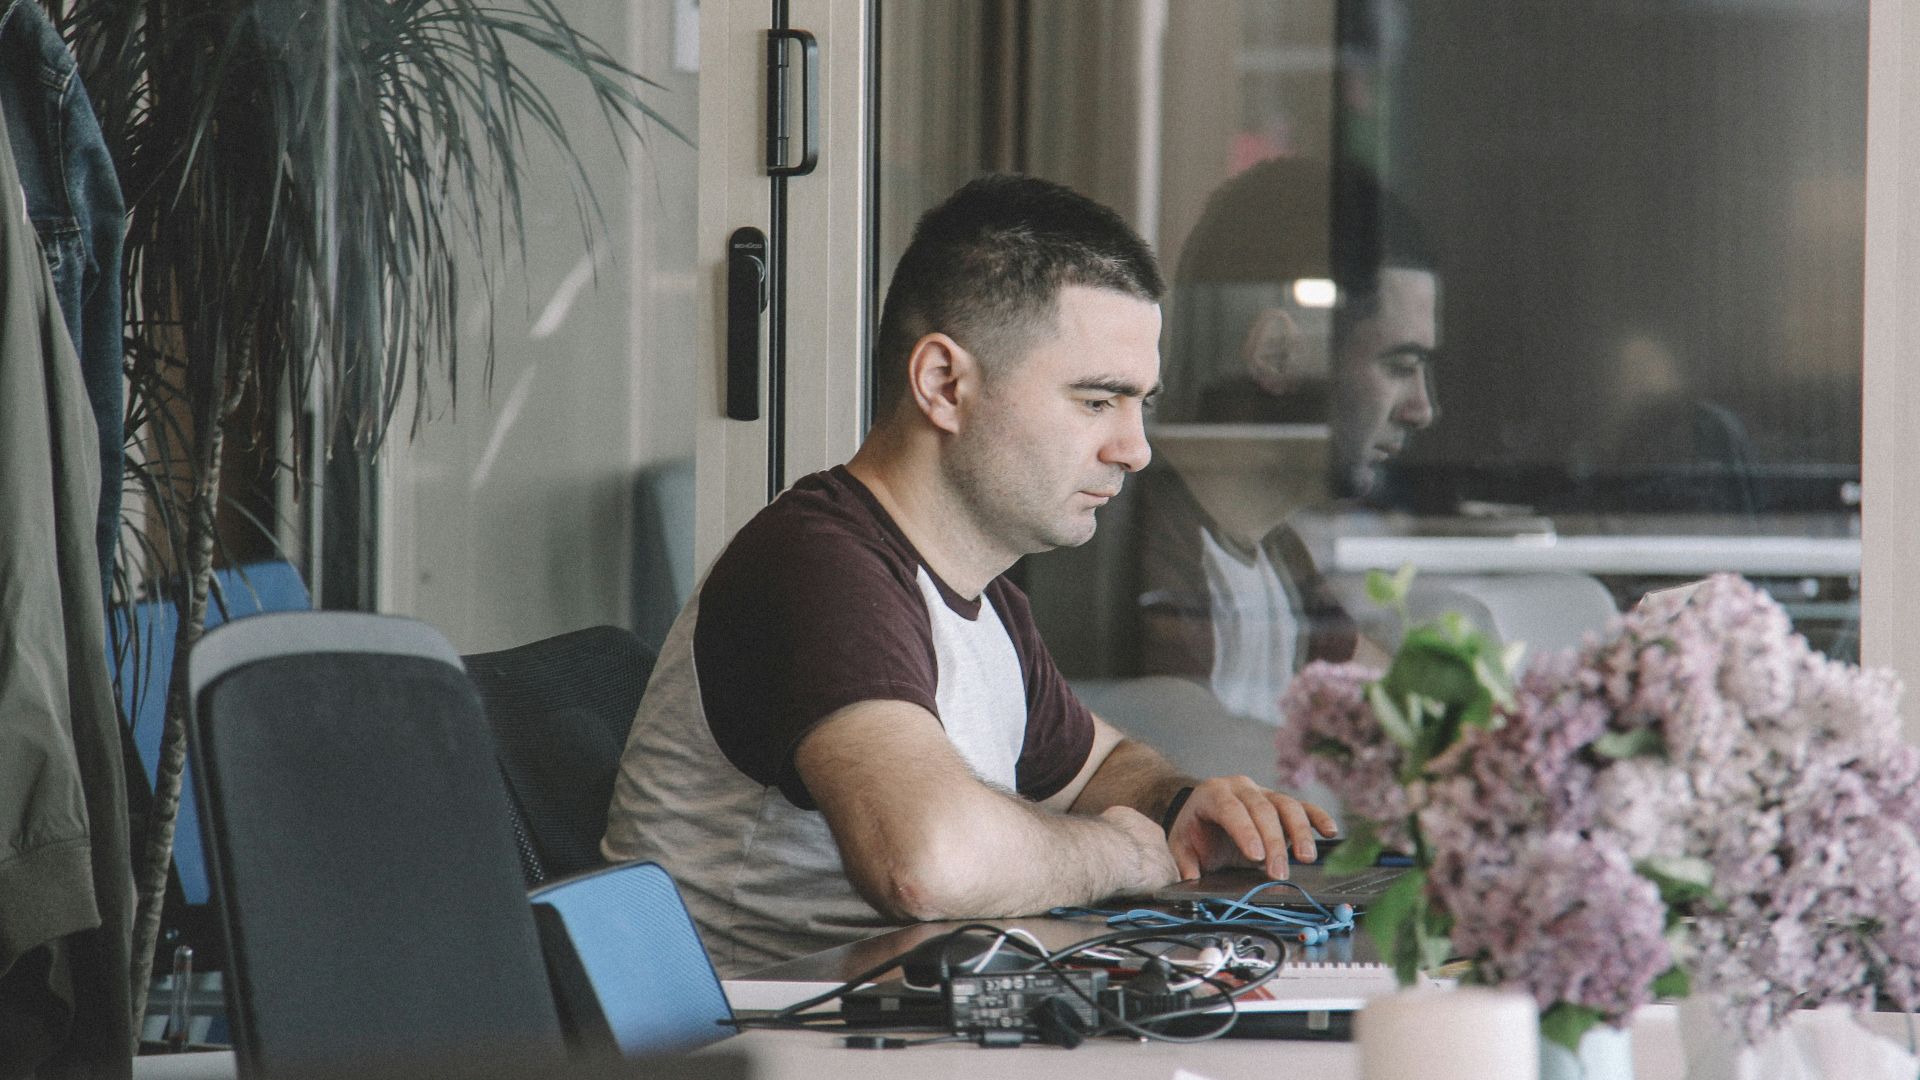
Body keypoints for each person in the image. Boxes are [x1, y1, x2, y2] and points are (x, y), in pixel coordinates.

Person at [602, 174, 1336, 975]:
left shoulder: (984, 599)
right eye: (1098, 401)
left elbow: (1096, 767)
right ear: (943, 385)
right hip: (761, 1051)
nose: (1135, 449)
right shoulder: (814, 566)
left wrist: (1178, 804)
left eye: (1141, 406)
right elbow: (929, 863)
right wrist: (1122, 854)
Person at [1136, 157, 1442, 723]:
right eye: (1399, 364)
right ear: (1277, 354)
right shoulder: (1149, 561)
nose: (1423, 409)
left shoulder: (1274, 550)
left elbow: (1402, 705)